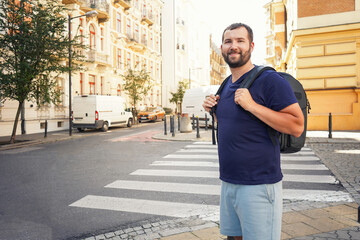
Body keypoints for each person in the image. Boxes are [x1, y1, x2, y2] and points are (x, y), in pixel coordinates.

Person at [202, 23, 304, 240]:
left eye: (240, 41)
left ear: (251, 46)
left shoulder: (269, 80)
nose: (234, 46)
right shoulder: (225, 84)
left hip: (259, 185)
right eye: (228, 41)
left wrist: (252, 106)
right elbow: (233, 127)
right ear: (222, 47)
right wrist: (214, 111)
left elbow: (296, 126)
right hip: (229, 182)